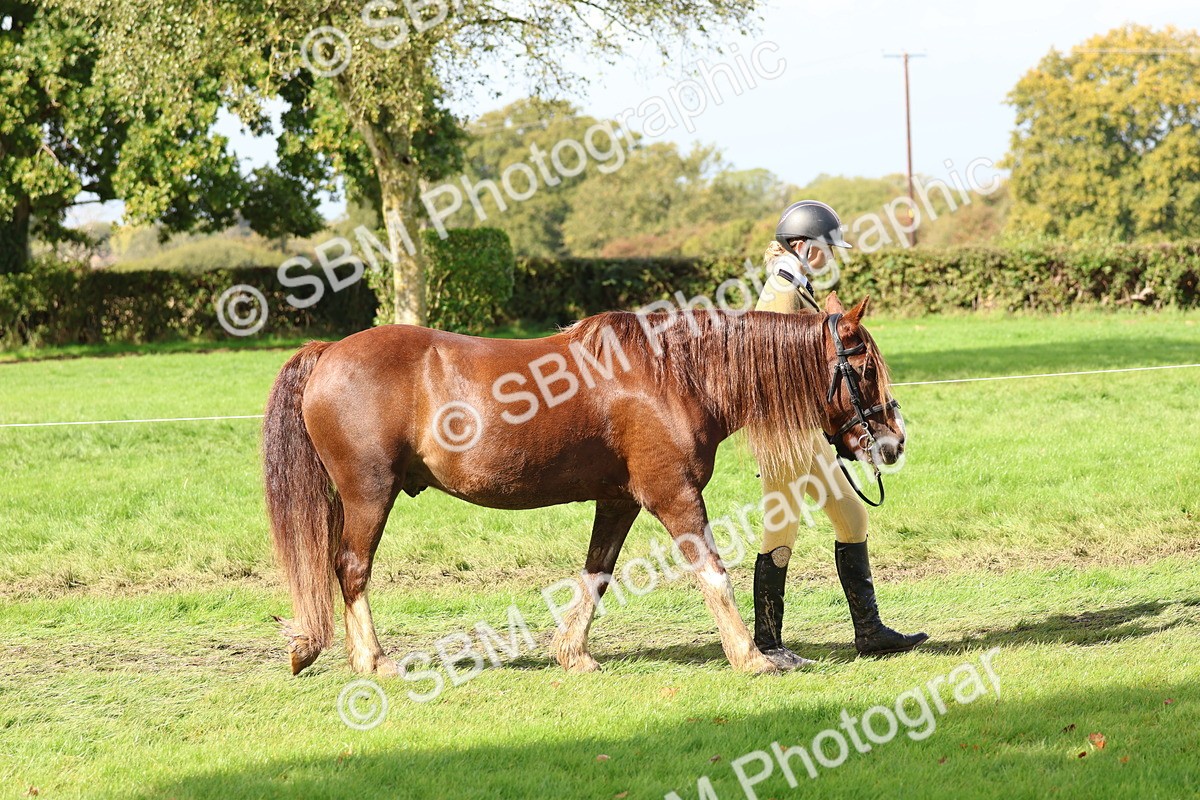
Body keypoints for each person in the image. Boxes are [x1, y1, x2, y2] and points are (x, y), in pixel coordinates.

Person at [752, 200, 928, 670]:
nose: (834, 257)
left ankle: (869, 632)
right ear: (806, 248)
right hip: (784, 434)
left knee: (852, 517)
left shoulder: (801, 288)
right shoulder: (781, 289)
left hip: (806, 432)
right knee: (780, 530)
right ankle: (767, 645)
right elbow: (765, 360)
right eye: (829, 249)